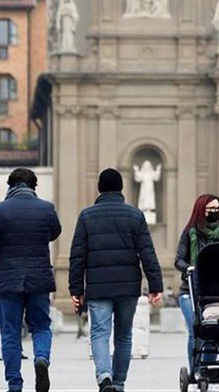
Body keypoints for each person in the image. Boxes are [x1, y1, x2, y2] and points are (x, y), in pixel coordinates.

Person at [69, 168, 163, 392]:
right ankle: (119, 383)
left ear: (99, 188)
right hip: (127, 287)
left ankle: (104, 378)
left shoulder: (86, 216)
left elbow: (77, 256)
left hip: (98, 287)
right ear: (121, 188)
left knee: (100, 333)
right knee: (123, 335)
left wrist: (76, 290)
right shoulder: (134, 215)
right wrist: (155, 285)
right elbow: (147, 252)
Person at [0, 168, 62, 392]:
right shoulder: (46, 209)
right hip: (39, 277)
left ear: (10, 186)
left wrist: (0, 253)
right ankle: (41, 358)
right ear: (34, 186)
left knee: (10, 332)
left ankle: (15, 384)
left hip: (8, 278)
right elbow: (54, 232)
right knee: (41, 326)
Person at [174, 194, 219, 371]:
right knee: (196, 331)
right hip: (191, 290)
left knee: (213, 331)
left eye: (217, 209)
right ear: (201, 210)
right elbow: (178, 260)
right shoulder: (190, 232)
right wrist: (190, 268)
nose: (214, 212)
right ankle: (195, 371)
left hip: (216, 291)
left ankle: (207, 371)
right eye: (210, 209)